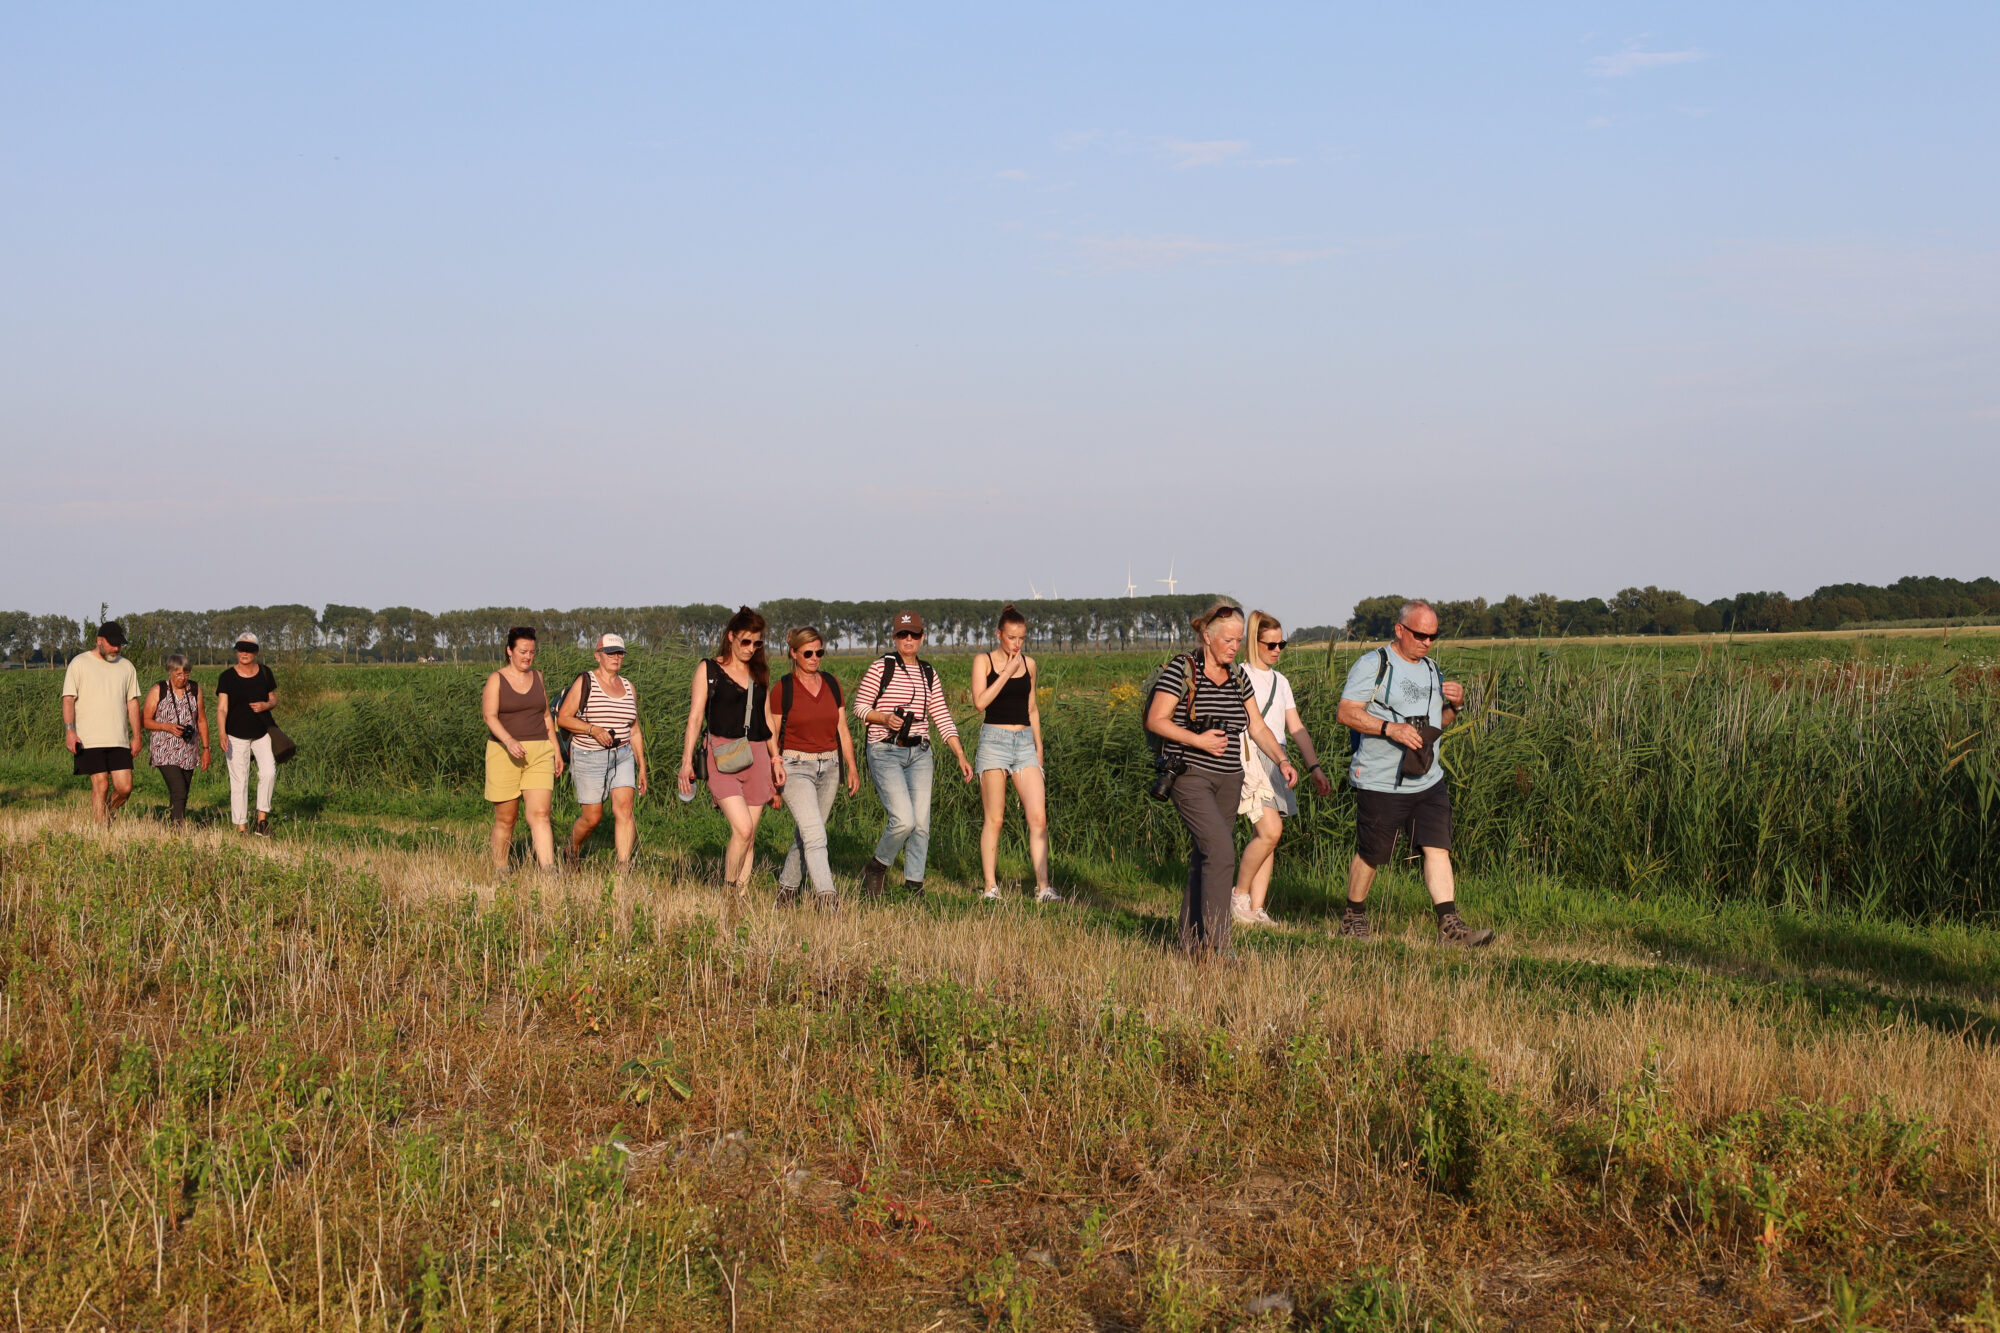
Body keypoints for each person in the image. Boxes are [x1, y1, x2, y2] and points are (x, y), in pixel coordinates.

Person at [1335, 599, 1494, 947]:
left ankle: (1450, 927)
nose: (1426, 642)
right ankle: (1353, 917)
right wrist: (1389, 729)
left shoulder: (1433, 669)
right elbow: (1346, 713)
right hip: (1380, 781)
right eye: (1420, 634)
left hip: (1428, 780)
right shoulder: (1373, 664)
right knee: (1372, 853)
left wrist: (1457, 705)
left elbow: (1439, 725)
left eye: (1433, 636)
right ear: (1400, 630)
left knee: (1438, 848)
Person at [1145, 603, 1296, 958]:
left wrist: (1282, 760)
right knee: (1222, 851)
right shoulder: (1183, 669)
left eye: (1238, 639)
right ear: (1207, 637)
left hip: (1231, 778)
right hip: (1190, 775)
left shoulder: (1238, 677)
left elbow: (1256, 726)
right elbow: (1156, 719)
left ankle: (1189, 945)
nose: (1234, 646)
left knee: (1205, 857)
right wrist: (1198, 740)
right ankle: (1219, 946)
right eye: (1227, 639)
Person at [854, 609, 974, 898]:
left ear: (922, 637)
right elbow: (859, 707)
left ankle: (914, 886)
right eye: (902, 634)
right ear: (895, 637)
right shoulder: (881, 667)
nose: (908, 639)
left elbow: (941, 716)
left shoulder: (928, 673)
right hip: (885, 750)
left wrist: (960, 754)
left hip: (920, 753)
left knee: (921, 824)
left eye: (914, 634)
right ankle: (877, 867)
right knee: (903, 820)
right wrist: (884, 718)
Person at [1232, 611, 1333, 925]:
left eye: (1282, 644)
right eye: (1270, 644)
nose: (1277, 650)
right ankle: (1238, 897)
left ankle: (1256, 910)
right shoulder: (1240, 675)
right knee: (1269, 830)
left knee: (1270, 837)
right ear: (1255, 643)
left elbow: (1296, 727)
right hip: (1250, 757)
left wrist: (1314, 766)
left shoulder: (1281, 681)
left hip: (1279, 757)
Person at [677, 608, 782, 896]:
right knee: (743, 829)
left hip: (757, 754)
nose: (751, 649)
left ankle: (740, 897)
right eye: (745, 642)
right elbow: (696, 717)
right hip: (720, 755)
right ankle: (727, 890)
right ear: (731, 637)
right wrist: (687, 762)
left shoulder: (759, 672)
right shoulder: (709, 670)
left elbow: (767, 717)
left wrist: (776, 758)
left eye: (757, 643)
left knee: (750, 836)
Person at [765, 625, 859, 909]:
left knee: (808, 834)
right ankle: (828, 899)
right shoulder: (784, 688)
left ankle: (786, 891)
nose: (815, 658)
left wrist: (851, 768)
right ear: (794, 653)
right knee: (816, 835)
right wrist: (775, 766)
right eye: (808, 653)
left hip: (830, 767)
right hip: (796, 767)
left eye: (820, 652)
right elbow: (773, 732)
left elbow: (842, 729)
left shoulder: (832, 683)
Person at [970, 605, 1055, 902]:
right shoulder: (984, 661)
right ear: (999, 634)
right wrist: (1005, 671)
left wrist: (1039, 746)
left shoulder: (1029, 665)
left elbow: (1032, 708)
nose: (1016, 644)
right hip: (994, 740)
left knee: (1038, 818)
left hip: (1025, 743)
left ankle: (1043, 888)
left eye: (1021, 638)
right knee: (995, 818)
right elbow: (980, 703)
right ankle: (990, 887)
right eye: (1011, 638)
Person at [560, 633, 648, 871]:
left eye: (619, 653)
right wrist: (592, 729)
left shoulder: (629, 687)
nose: (615, 657)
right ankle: (572, 849)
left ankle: (623, 867)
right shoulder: (586, 681)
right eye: (609, 653)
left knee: (625, 810)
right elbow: (564, 718)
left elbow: (635, 730)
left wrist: (642, 767)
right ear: (597, 656)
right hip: (589, 756)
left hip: (623, 755)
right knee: (592, 818)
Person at [481, 627, 564, 873]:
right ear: (509, 651)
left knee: (541, 813)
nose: (528, 657)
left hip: (539, 751)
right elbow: (489, 716)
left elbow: (546, 715)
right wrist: (509, 741)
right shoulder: (496, 679)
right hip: (503, 753)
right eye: (523, 651)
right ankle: (501, 869)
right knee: (507, 819)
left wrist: (556, 750)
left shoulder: (538, 677)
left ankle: (549, 870)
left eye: (532, 652)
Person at [61, 621, 142, 823]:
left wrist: (137, 736)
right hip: (89, 739)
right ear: (99, 641)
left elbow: (132, 703)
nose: (116, 648)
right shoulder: (79, 663)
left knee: (124, 788)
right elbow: (68, 699)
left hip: (119, 739)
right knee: (101, 784)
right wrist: (70, 732)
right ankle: (100, 834)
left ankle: (106, 812)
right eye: (112, 644)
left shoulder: (127, 667)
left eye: (119, 644)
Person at [216, 631, 279, 836]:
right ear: (236, 650)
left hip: (262, 732)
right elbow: (222, 708)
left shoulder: (265, 672)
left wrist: (266, 705)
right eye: (241, 648)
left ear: (256, 652)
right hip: (235, 734)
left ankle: (262, 821)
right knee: (240, 780)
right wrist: (222, 732)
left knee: (268, 772)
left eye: (249, 649)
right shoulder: (226, 677)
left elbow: (273, 698)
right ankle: (241, 827)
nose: (244, 653)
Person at [141, 653, 211, 826]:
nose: (183, 678)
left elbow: (201, 720)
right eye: (179, 674)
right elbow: (146, 721)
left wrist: (206, 749)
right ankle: (178, 830)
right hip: (164, 749)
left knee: (182, 792)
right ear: (170, 672)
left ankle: (172, 824)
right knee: (179, 789)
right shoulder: (159, 690)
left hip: (188, 750)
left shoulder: (194, 690)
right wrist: (168, 727)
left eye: (186, 673)